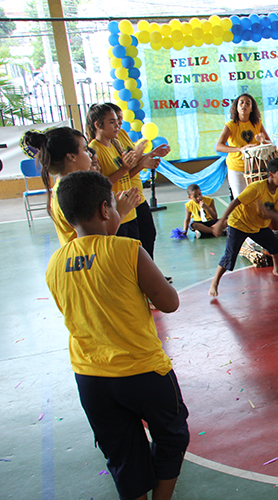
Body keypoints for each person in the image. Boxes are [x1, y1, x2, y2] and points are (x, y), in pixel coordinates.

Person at [45, 170, 188, 500]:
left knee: (122, 454)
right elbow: (169, 303)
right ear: (105, 209)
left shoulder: (55, 262)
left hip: (90, 376)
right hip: (142, 371)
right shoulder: (127, 250)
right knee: (172, 435)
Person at [23, 127, 139, 246]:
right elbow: (98, 238)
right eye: (85, 149)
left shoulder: (64, 186)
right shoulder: (76, 193)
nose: (89, 154)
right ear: (71, 157)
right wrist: (121, 211)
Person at [208, 158, 278, 296]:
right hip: (239, 223)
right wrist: (221, 222)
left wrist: (267, 211)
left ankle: (277, 270)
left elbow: (277, 215)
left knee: (276, 246)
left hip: (258, 226)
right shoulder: (256, 188)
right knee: (229, 256)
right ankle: (215, 282)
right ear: (271, 175)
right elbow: (235, 202)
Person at [87, 104, 158, 239]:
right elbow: (101, 185)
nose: (118, 125)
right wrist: (126, 168)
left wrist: (148, 156)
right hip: (115, 212)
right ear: (98, 125)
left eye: (118, 121)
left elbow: (127, 173)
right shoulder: (95, 149)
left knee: (141, 244)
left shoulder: (115, 144)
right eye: (112, 122)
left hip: (129, 209)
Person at [109, 103, 170, 260]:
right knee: (131, 243)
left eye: (120, 119)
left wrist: (151, 154)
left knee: (148, 234)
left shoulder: (121, 134)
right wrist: (142, 163)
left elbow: (134, 162)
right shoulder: (101, 147)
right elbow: (124, 173)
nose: (119, 124)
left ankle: (149, 272)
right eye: (114, 121)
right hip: (123, 199)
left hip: (136, 194)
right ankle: (141, 275)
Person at [215, 93, 271, 199]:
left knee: (256, 199)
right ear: (236, 107)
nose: (244, 105)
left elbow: (269, 143)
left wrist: (263, 140)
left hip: (254, 168)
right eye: (241, 102)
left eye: (247, 103)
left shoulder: (257, 123)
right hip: (236, 168)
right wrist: (240, 149)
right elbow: (218, 146)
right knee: (240, 200)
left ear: (251, 109)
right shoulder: (230, 125)